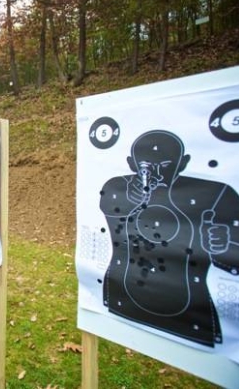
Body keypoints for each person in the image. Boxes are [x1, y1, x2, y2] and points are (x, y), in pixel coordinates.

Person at [100, 129, 239, 347]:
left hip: (191, 315)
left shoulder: (216, 195)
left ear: (182, 163)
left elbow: (232, 259)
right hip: (123, 296)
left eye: (164, 166)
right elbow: (108, 208)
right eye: (147, 167)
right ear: (131, 163)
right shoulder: (116, 189)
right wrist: (127, 200)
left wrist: (224, 248)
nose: (155, 174)